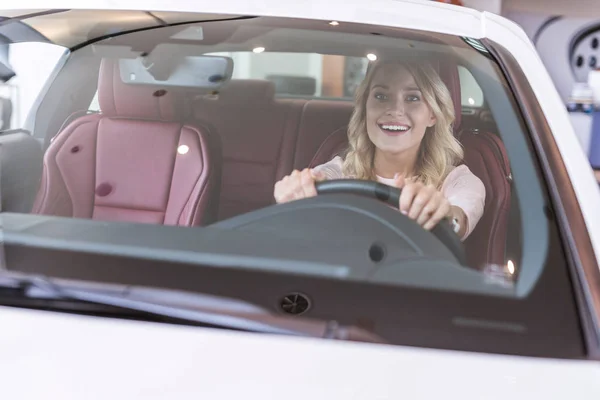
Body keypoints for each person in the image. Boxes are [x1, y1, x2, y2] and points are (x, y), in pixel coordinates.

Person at [273, 58, 485, 240]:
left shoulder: (459, 181)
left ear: (433, 115)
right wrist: (296, 190)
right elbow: (319, 179)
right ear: (365, 108)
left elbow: (458, 220)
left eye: (412, 98)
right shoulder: (342, 172)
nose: (394, 110)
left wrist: (443, 215)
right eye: (381, 96)